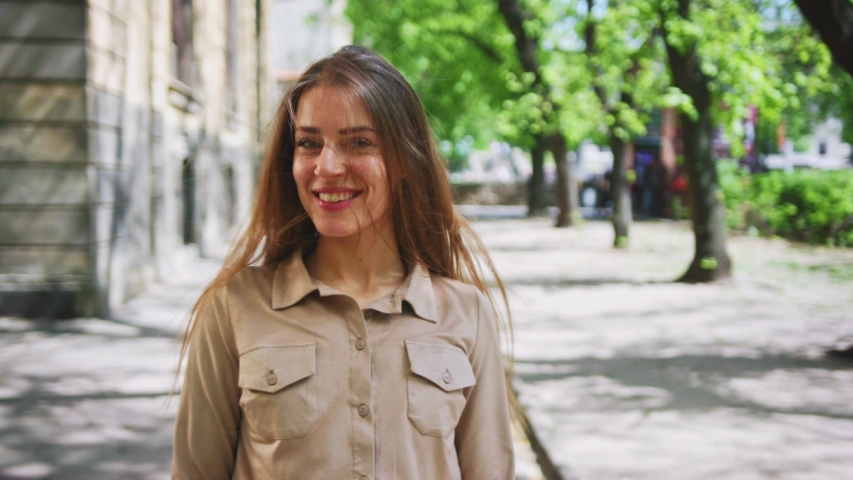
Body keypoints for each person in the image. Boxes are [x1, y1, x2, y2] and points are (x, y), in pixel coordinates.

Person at [171, 45, 515, 479]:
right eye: (309, 143)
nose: (327, 166)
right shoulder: (234, 307)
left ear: (404, 160)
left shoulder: (466, 313)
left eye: (359, 143)